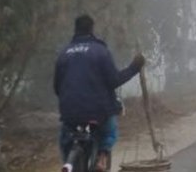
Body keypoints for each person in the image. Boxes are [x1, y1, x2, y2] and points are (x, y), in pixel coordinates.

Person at [54, 15, 144, 172]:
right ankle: (102, 157)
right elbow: (114, 80)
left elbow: (57, 87)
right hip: (97, 112)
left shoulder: (64, 54)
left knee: (65, 138)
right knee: (109, 130)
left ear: (75, 30)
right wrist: (134, 68)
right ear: (91, 30)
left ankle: (68, 162)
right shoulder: (100, 51)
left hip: (69, 113)